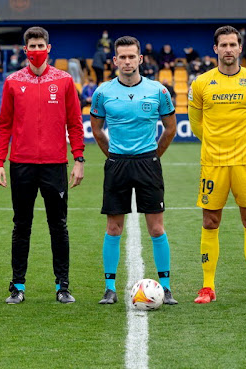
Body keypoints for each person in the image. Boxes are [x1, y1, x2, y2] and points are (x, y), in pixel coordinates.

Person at [0, 26, 85, 305]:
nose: (35, 51)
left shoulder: (65, 81)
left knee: (58, 225)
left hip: (55, 165)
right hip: (21, 165)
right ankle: (17, 286)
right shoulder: (12, 82)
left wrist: (78, 159)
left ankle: (63, 286)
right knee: (21, 225)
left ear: (49, 48)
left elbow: (75, 123)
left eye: (40, 46)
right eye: (31, 47)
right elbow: (5, 125)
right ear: (25, 50)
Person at [188, 25, 246, 305]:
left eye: (232, 45)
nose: (228, 50)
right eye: (222, 45)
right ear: (215, 49)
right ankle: (207, 287)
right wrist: (215, 144)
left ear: (240, 48)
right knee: (210, 221)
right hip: (213, 163)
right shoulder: (200, 83)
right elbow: (197, 124)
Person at [90, 36, 178, 306]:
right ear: (115, 60)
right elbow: (96, 129)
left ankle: (166, 287)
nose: (127, 61)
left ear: (140, 59)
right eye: (122, 57)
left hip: (147, 164)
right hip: (117, 164)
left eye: (132, 57)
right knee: (114, 227)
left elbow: (170, 128)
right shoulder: (103, 92)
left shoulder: (158, 91)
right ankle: (109, 288)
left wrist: (153, 156)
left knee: (156, 228)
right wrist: (114, 156)